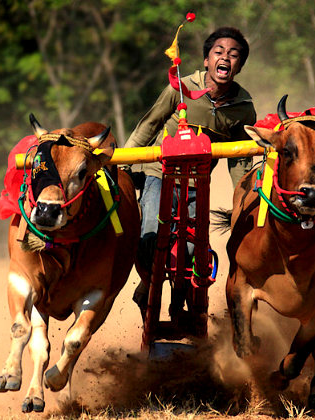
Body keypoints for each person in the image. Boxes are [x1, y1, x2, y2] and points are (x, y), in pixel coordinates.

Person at [123, 27, 257, 314]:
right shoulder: (180, 87)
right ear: (206, 60)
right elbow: (148, 125)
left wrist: (245, 201)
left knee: (195, 249)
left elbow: (241, 160)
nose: (225, 59)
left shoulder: (244, 108)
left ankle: (180, 301)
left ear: (240, 67)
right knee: (148, 237)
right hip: (158, 173)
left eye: (234, 55)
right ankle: (147, 284)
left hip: (198, 183)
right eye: (218, 52)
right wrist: (122, 165)